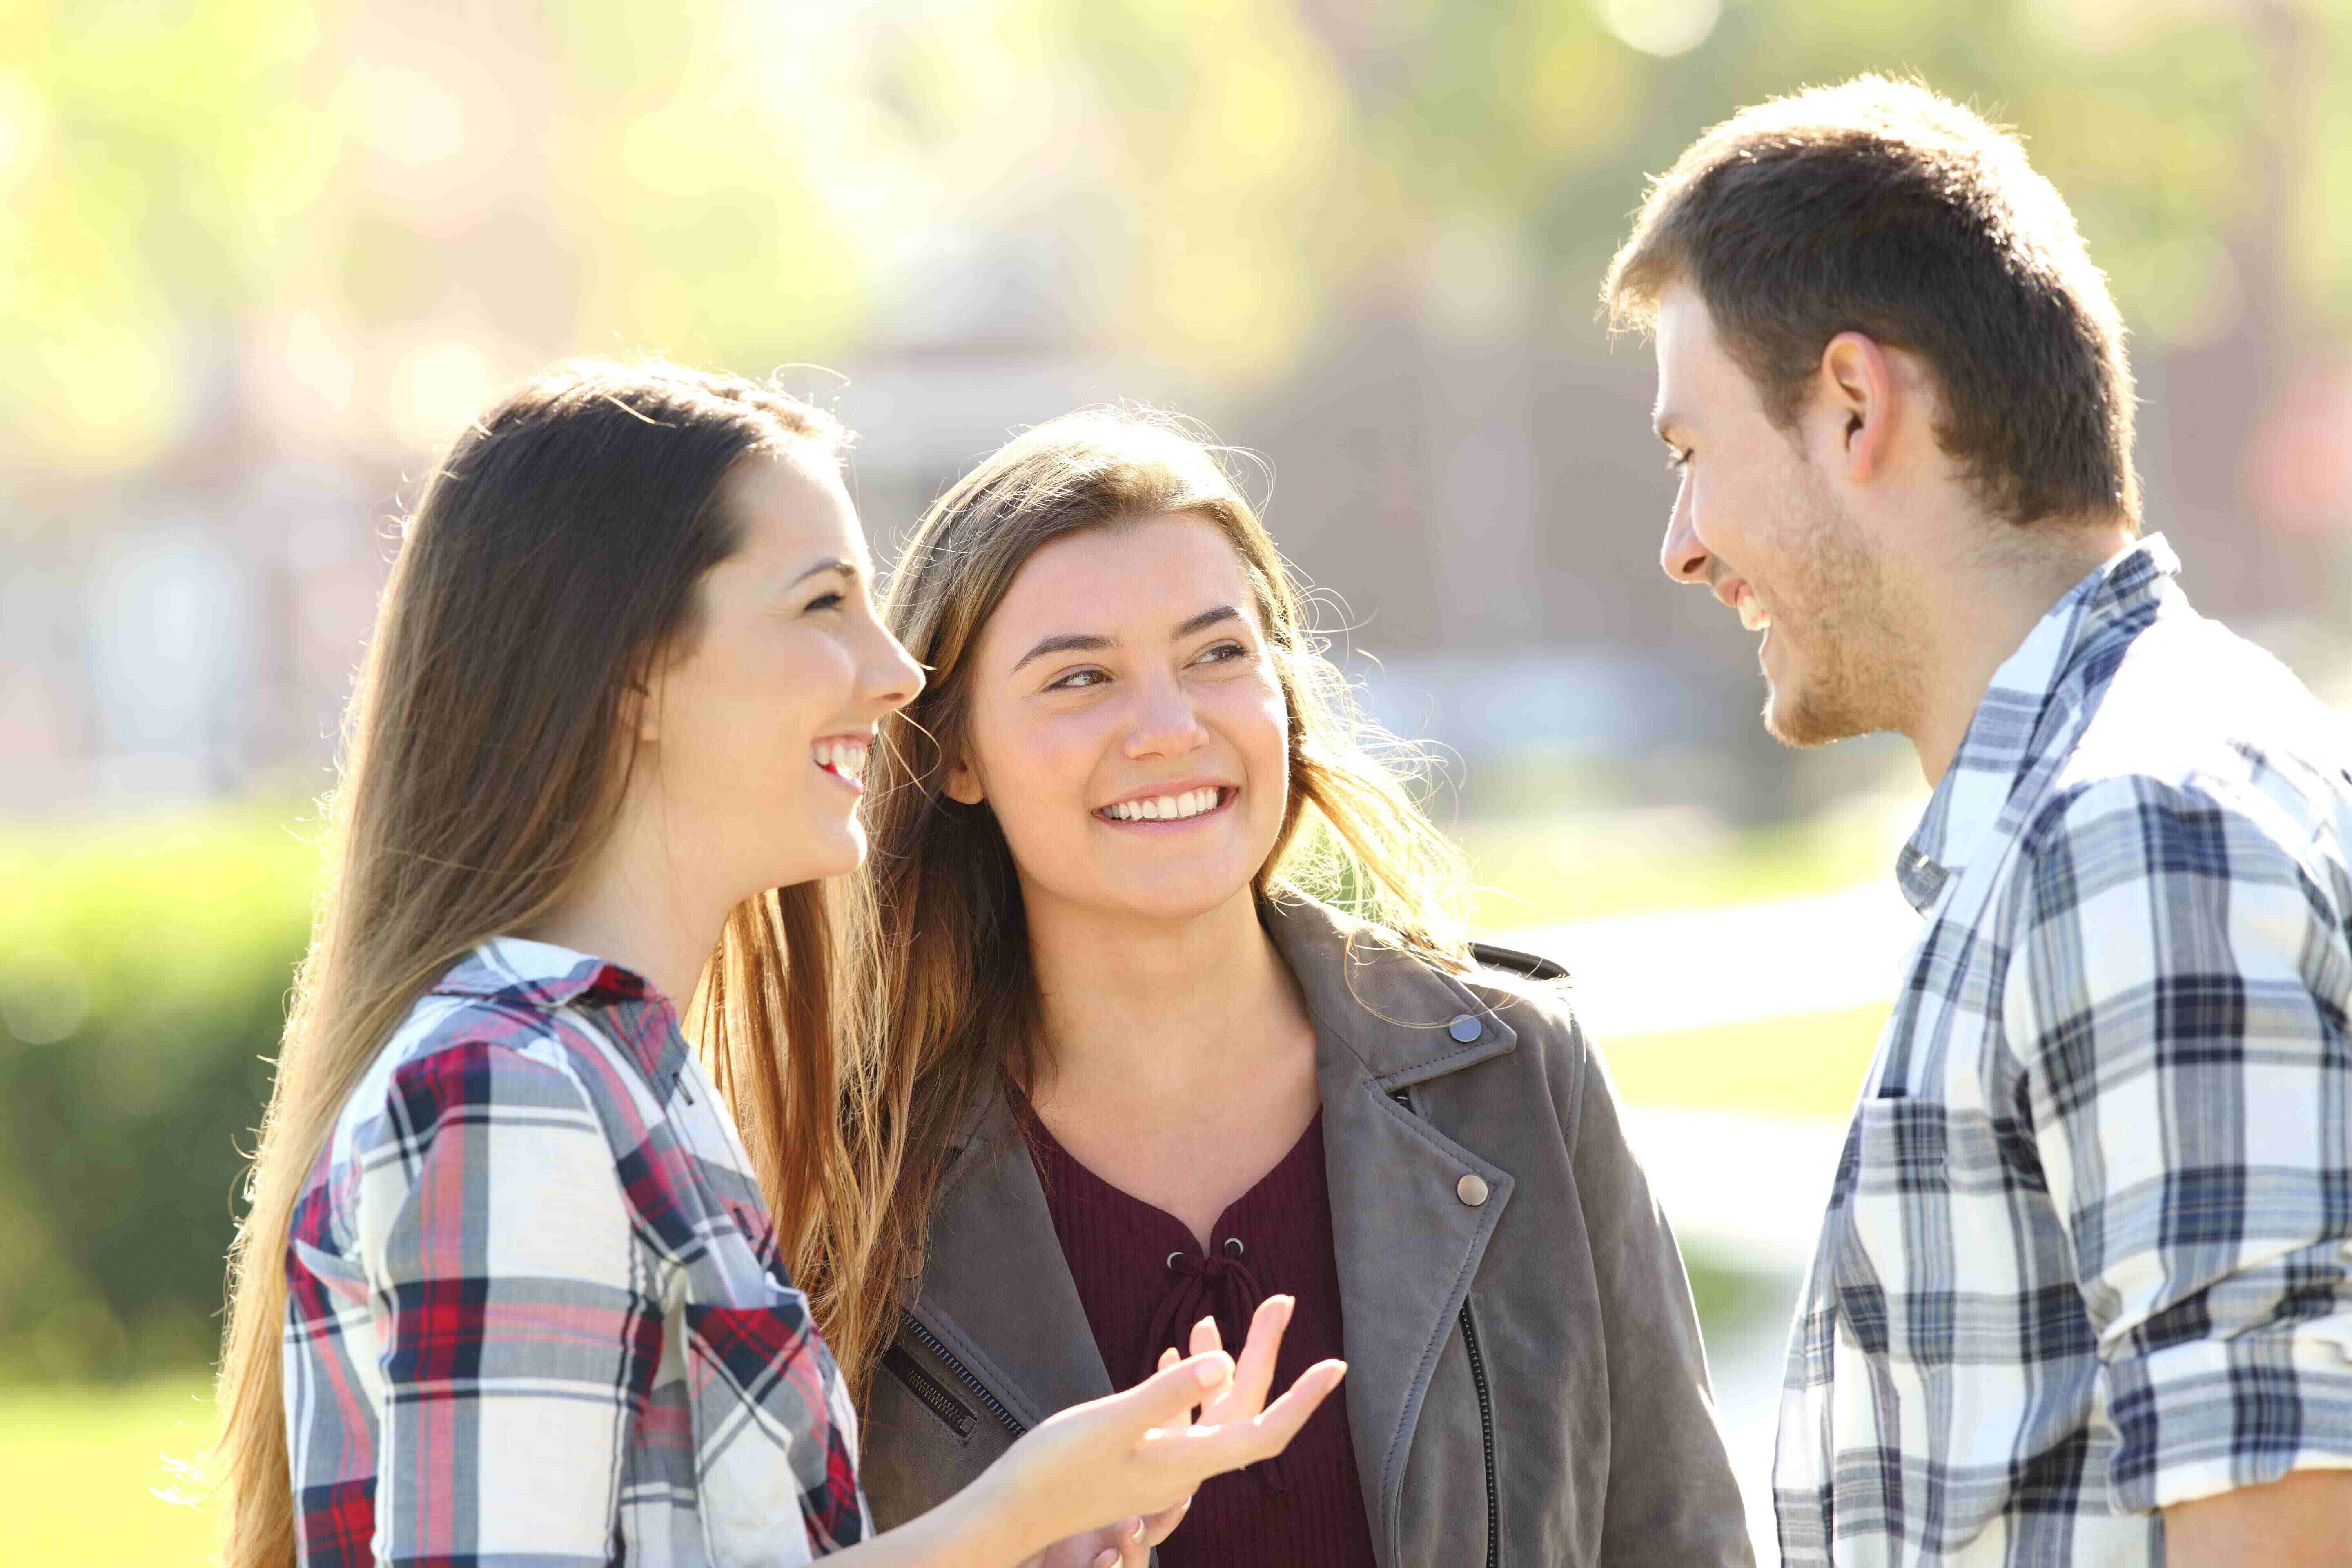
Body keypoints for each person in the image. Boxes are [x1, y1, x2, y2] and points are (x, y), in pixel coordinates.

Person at [210, 363, 1343, 1568]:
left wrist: (1021, 1543)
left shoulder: (624, 1082)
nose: (899, 672)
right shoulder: (511, 1094)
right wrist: (998, 1516)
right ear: (635, 669)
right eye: (822, 607)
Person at [1602, 76, 2352, 1566]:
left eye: (1691, 455)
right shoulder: (2108, 800)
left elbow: (2286, 1519)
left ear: (1856, 405)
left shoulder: (2133, 833)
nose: (1681, 545)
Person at [834, 408, 1752, 1567]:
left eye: (1219, 654)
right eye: (1080, 678)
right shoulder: (852, 1155)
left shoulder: (1520, 1077)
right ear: (957, 752)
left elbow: (1681, 1540)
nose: (1169, 728)